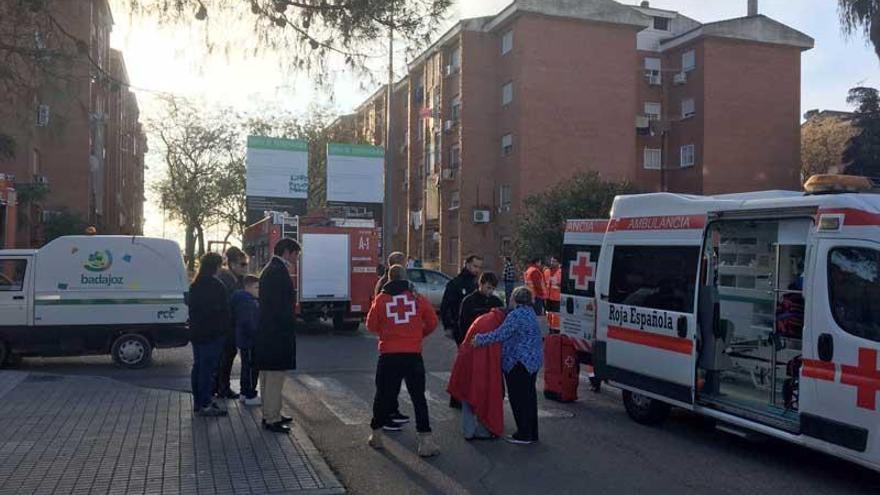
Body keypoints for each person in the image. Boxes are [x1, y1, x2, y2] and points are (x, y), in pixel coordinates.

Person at [365, 265, 440, 457]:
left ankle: (376, 435)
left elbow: (370, 325)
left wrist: (386, 332)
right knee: (418, 397)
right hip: (413, 354)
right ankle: (426, 441)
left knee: (383, 395)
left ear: (389, 278)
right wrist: (418, 335)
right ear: (405, 278)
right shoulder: (416, 298)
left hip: (389, 355)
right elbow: (432, 322)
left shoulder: (381, 299)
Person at [472, 287, 543, 444]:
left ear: (515, 300)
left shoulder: (516, 315)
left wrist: (479, 339)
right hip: (532, 362)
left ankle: (523, 434)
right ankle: (532, 432)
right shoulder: (531, 313)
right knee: (530, 398)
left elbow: (500, 334)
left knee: (518, 399)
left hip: (518, 363)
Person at [255, 238, 300, 433]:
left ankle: (270, 412)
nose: (297, 259)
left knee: (267, 376)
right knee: (274, 377)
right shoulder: (278, 272)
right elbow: (280, 306)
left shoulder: (270, 269)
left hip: (268, 333)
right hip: (276, 334)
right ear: (287, 252)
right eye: (296, 254)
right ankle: (272, 418)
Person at [448, 305, 506, 440]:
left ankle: (468, 430)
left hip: (467, 361)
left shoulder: (483, 319)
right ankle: (483, 429)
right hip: (483, 366)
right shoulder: (498, 325)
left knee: (468, 395)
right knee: (484, 396)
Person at [188, 252, 230, 417]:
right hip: (212, 334)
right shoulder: (216, 285)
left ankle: (199, 402)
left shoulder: (195, 284)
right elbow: (222, 311)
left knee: (198, 368)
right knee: (208, 370)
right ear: (216, 266)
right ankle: (206, 403)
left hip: (197, 333)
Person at [372, 250, 411, 428]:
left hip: (394, 341)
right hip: (391, 342)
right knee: (388, 383)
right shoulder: (389, 285)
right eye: (405, 262)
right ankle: (386, 416)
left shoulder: (389, 283)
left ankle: (392, 410)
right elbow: (377, 316)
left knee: (393, 381)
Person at [441, 254, 483, 408]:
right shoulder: (456, 284)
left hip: (475, 330)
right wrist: (448, 326)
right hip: (460, 329)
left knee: (471, 365)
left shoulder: (476, 283)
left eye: (479, 267)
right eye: (474, 266)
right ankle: (457, 397)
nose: (477, 270)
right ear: (467, 265)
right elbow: (446, 306)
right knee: (464, 364)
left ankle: (467, 395)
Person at [215, 246, 249, 399]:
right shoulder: (226, 280)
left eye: (246, 264)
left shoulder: (237, 280)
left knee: (228, 356)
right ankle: (222, 388)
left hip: (233, 325)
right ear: (232, 265)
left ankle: (222, 387)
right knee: (226, 357)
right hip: (227, 325)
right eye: (242, 264)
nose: (245, 267)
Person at [232, 274, 261, 406]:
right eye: (256, 287)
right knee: (250, 368)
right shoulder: (248, 302)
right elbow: (249, 323)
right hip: (250, 340)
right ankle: (250, 394)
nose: (259, 290)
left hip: (244, 339)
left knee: (246, 367)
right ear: (248, 287)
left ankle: (244, 393)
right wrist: (256, 334)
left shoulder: (242, 299)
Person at [458, 271, 504, 338]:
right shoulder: (469, 301)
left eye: (493, 289)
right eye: (488, 287)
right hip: (472, 338)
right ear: (480, 284)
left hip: (490, 340)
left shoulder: (497, 302)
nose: (490, 291)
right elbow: (462, 323)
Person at [543, 256, 562, 332]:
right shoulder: (546, 271)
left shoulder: (561, 272)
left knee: (556, 315)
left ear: (558, 262)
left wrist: (558, 284)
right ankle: (549, 328)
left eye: (554, 261)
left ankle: (556, 330)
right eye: (551, 261)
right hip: (548, 297)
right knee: (548, 313)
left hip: (557, 297)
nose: (552, 263)